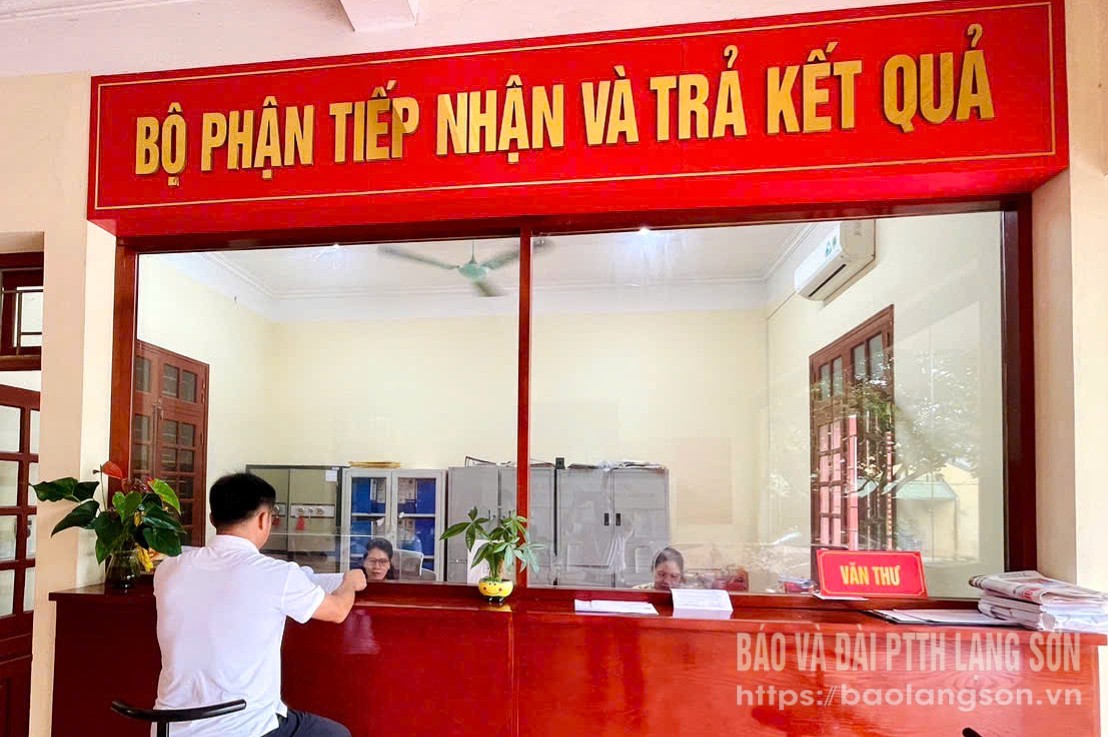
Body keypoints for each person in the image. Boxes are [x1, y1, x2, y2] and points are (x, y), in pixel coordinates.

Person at [153, 473, 367, 737]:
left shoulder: (168, 569)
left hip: (169, 728)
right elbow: (338, 611)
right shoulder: (276, 574)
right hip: (244, 729)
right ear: (265, 519)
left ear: (212, 518)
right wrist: (350, 581)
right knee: (337, 735)